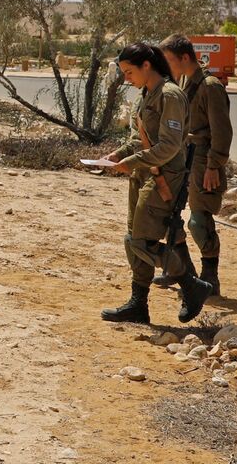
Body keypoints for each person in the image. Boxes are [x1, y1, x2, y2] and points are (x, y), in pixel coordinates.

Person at [101, 42, 215, 325]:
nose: (127, 79)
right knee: (133, 239)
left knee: (140, 241)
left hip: (164, 177)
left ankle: (191, 284)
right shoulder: (145, 95)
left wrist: (132, 161)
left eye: (129, 72)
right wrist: (118, 155)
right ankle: (138, 305)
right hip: (143, 175)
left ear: (147, 66)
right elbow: (139, 139)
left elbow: (170, 146)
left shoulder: (170, 95)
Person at [153, 34, 232, 296]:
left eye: (169, 60)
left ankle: (210, 278)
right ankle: (185, 274)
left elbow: (222, 131)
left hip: (203, 158)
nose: (167, 66)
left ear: (184, 57)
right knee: (172, 217)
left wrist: (213, 166)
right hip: (184, 155)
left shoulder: (210, 86)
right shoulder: (184, 82)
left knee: (199, 221)